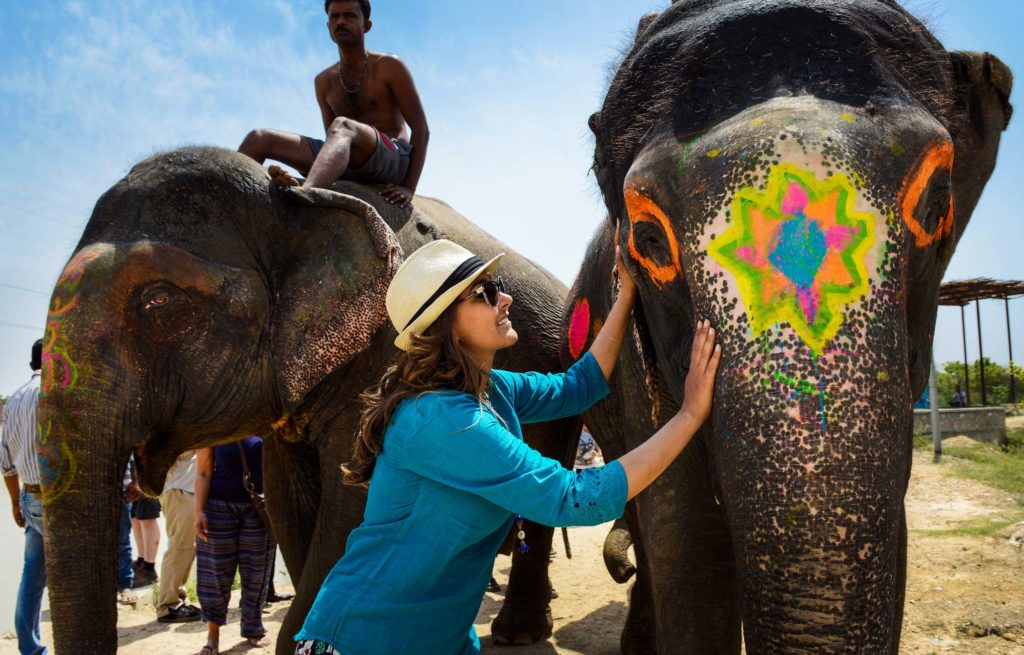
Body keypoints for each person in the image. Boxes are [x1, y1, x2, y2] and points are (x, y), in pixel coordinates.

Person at [293, 240, 721, 654]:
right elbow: (572, 498)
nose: (506, 299)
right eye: (484, 293)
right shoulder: (444, 420)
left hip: (442, 640)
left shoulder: (489, 390)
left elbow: (580, 385)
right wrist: (688, 415)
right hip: (363, 640)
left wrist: (625, 291)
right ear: (446, 327)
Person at [239, 0, 429, 206]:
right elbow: (332, 138)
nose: (341, 22)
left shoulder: (390, 66)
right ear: (328, 25)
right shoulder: (323, 82)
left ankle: (305, 198)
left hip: (391, 159)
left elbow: (421, 130)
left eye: (350, 16)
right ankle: (230, 205)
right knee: (258, 139)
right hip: (349, 160)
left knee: (343, 125)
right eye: (334, 17)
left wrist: (409, 187)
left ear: (367, 26)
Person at [194, 437, 275, 655]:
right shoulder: (215, 426)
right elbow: (203, 472)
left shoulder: (265, 424)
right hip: (218, 507)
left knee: (257, 571)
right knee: (215, 573)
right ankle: (213, 636)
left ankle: (253, 627)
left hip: (258, 508)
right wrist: (199, 511)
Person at [1, 339, 48, 655]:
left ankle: (30, 647)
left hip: (30, 497)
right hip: (55, 498)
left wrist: (16, 502)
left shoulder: (14, 399)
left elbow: (5, 461)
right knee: (72, 574)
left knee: (32, 576)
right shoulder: (54, 393)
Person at [156, 451, 201, 623]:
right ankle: (167, 606)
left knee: (187, 549)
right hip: (179, 491)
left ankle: (178, 599)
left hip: (185, 490)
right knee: (179, 548)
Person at [131, 495, 161, 587]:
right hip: (135, 482)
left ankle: (149, 569)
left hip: (146, 484)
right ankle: (141, 562)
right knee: (135, 516)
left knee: (147, 516)